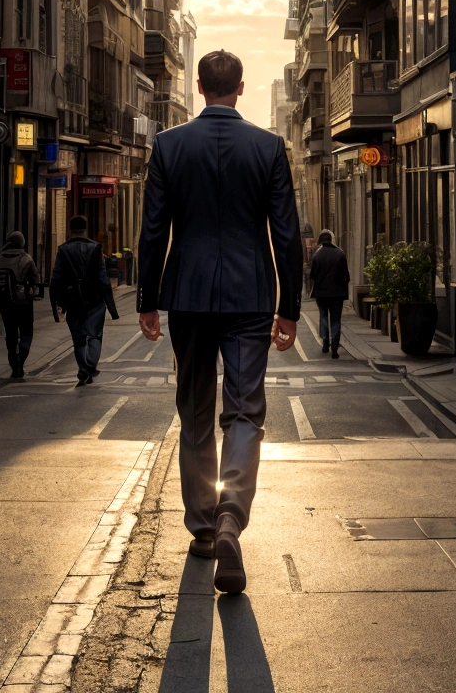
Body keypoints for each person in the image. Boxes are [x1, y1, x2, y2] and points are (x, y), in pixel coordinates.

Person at [137, 50, 303, 595]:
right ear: (239, 88)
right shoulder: (268, 147)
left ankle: (205, 528)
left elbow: (154, 230)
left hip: (186, 294)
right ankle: (233, 515)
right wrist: (290, 308)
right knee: (245, 411)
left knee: (195, 413)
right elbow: (285, 234)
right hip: (251, 295)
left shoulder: (169, 145)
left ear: (201, 87)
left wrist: (147, 297)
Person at [50, 215, 119, 386]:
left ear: (70, 229)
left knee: (78, 338)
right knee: (95, 336)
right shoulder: (95, 248)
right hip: (95, 300)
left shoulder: (63, 250)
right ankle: (89, 367)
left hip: (73, 301)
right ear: (85, 229)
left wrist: (57, 305)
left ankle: (84, 368)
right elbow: (103, 279)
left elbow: (56, 279)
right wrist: (111, 307)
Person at [0, 231, 40, 380]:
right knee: (26, 332)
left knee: (11, 334)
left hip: (6, 302)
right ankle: (21, 357)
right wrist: (33, 289)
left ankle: (14, 364)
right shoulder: (26, 258)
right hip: (24, 301)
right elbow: (36, 278)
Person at [309, 229, 350, 359]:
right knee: (336, 320)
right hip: (337, 294)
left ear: (321, 241)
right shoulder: (340, 254)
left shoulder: (317, 255)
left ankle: (325, 342)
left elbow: (313, 275)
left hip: (321, 293)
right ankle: (335, 347)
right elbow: (346, 276)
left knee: (323, 317)